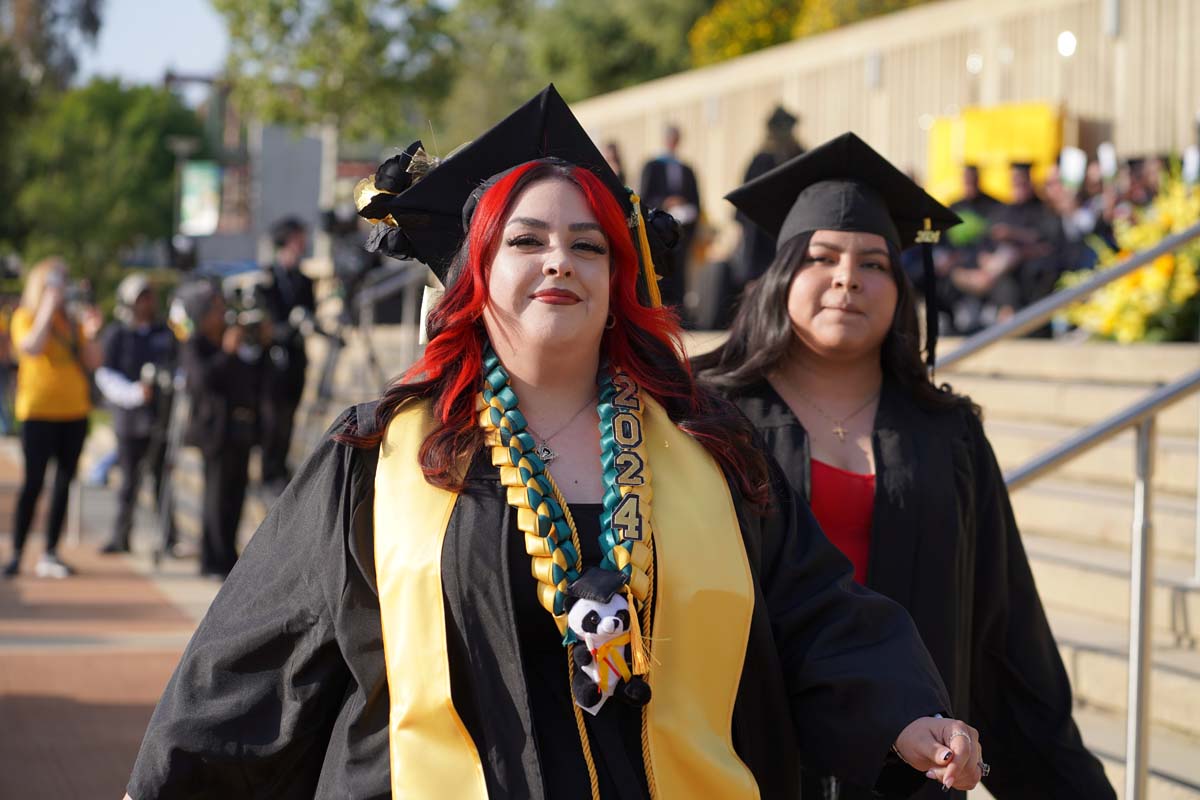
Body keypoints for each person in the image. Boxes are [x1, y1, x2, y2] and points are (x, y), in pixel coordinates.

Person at [126, 86, 985, 800]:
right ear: (475, 273)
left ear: (621, 281)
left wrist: (904, 716)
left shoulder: (709, 449)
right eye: (526, 241)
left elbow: (817, 613)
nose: (559, 262)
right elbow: (250, 676)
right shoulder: (380, 460)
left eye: (589, 245)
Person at [695, 132, 1116, 800]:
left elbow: (1004, 634)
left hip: (910, 771)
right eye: (821, 257)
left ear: (901, 287)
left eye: (874, 263)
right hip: (749, 761)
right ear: (779, 277)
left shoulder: (946, 434)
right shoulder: (709, 418)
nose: (846, 278)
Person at [3, 257, 102, 578]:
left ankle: (50, 552)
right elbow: (30, 347)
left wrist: (92, 331)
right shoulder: (24, 316)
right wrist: (47, 307)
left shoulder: (71, 322)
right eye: (54, 282)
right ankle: (17, 551)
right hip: (38, 411)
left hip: (74, 411)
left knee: (63, 484)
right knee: (33, 483)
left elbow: (93, 361)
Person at [177, 279, 266, 579]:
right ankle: (212, 558)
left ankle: (228, 555)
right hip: (214, 432)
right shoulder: (195, 345)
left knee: (235, 494)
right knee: (215, 496)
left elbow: (253, 377)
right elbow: (202, 382)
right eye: (215, 309)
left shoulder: (233, 340)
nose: (222, 314)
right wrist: (227, 353)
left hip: (240, 430)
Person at [95, 273, 179, 554]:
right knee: (129, 482)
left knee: (162, 481)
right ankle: (121, 535)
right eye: (141, 297)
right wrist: (133, 393)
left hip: (160, 419)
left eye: (149, 296)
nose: (147, 302)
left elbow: (177, 366)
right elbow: (105, 374)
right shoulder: (117, 334)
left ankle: (169, 538)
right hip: (130, 420)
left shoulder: (164, 333)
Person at [259, 215, 315, 496]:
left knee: (290, 415)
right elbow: (265, 319)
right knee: (273, 417)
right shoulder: (269, 277)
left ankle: (281, 467)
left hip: (296, 357)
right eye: (297, 237)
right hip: (274, 358)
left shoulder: (304, 280)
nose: (302, 242)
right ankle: (269, 470)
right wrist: (284, 327)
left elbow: (311, 312)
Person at [736, 106, 805, 286]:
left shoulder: (800, 156)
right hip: (761, 233)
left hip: (792, 227)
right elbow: (746, 200)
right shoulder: (762, 160)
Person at [639, 124, 700, 311]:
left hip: (681, 229)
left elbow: (696, 200)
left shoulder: (687, 169)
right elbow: (644, 196)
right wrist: (666, 202)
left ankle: (679, 310)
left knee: (680, 272)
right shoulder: (653, 166)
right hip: (659, 228)